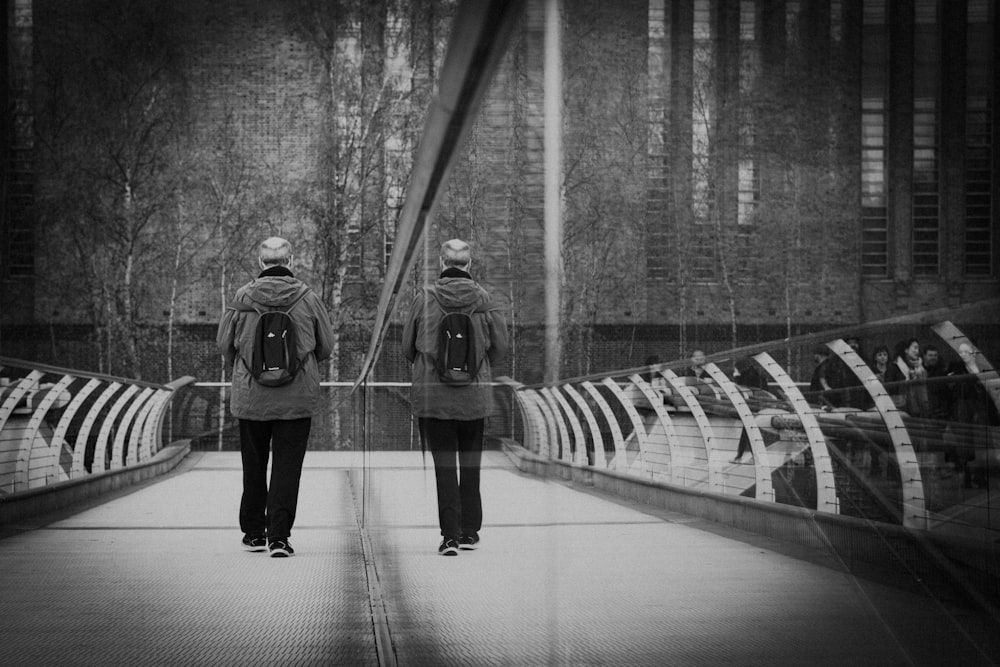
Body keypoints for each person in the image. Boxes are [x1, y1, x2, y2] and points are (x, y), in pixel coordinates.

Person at [217, 237, 334, 558]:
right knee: (287, 467)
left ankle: (254, 532)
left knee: (253, 464)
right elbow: (326, 346)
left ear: (260, 262)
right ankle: (279, 537)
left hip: (251, 398)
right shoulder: (307, 298)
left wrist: (246, 364)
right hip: (296, 398)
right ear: (290, 261)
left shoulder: (242, 296)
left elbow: (224, 344)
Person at [402, 239, 508, 556]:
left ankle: (449, 535)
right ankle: (469, 531)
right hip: (473, 399)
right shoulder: (485, 300)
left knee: (444, 467)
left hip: (433, 398)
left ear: (441, 263)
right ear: (469, 264)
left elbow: (407, 346)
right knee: (471, 464)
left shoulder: (425, 298)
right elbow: (500, 346)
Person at [885, 338, 929, 417]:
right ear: (906, 350)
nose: (917, 351)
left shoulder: (920, 367)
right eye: (915, 348)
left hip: (920, 407)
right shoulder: (895, 367)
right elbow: (889, 388)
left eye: (918, 348)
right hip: (901, 408)